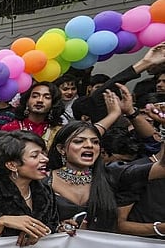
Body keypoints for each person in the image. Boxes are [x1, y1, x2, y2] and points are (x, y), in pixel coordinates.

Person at [48, 90, 165, 233]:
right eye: (79, 141)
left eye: (95, 142)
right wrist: (55, 229)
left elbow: (162, 168)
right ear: (61, 149)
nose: (89, 146)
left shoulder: (112, 173)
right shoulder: (42, 181)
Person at [0, 131, 58, 246]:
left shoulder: (45, 190)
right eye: (35, 155)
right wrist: (1, 223)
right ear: (12, 165)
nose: (45, 159)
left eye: (43, 153)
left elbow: (52, 227)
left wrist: (61, 229)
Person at [1, 82, 64, 149]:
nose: (40, 100)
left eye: (47, 97)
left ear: (53, 103)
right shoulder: (10, 129)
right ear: (27, 101)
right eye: (35, 96)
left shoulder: (59, 132)